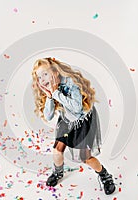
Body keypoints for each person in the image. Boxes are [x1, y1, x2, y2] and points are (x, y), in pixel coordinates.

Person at [31, 57, 115, 195]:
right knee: (57, 151)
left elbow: (76, 108)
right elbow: (48, 116)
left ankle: (105, 176)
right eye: (39, 77)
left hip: (82, 121)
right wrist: (50, 97)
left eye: (45, 74)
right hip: (66, 119)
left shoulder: (71, 84)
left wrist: (56, 93)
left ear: (55, 72)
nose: (43, 79)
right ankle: (58, 172)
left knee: (85, 157)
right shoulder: (51, 89)